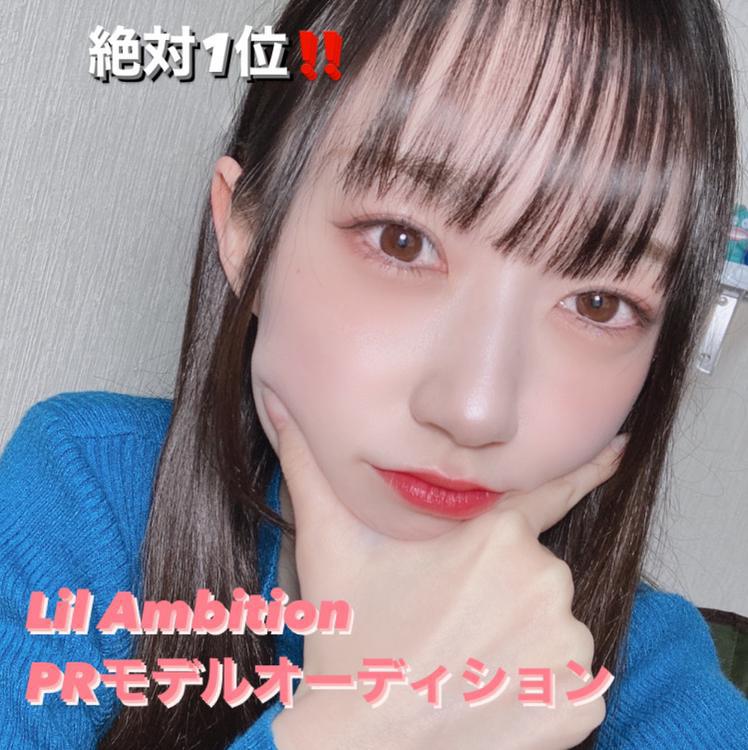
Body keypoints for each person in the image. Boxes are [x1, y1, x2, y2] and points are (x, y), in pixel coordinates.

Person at [1, 0, 747, 748]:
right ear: (247, 236)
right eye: (401, 241)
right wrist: (365, 724)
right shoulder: (82, 502)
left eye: (597, 303)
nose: (476, 410)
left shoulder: (654, 678)